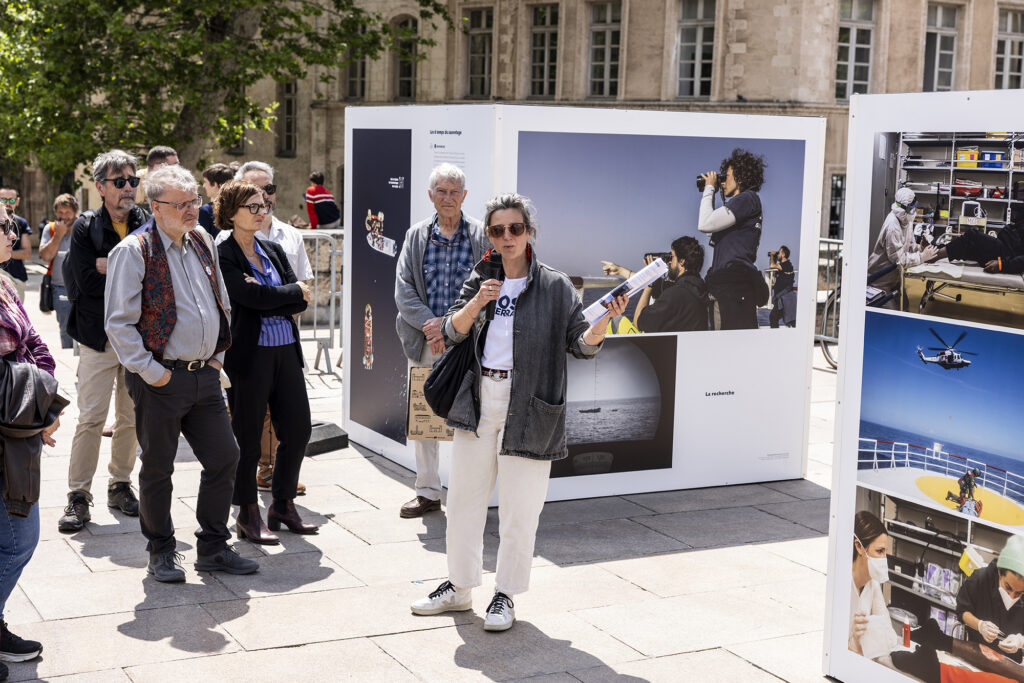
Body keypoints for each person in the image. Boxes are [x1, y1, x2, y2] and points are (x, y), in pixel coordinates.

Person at [410, 192, 627, 632]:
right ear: (489, 236)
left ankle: (505, 594)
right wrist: (477, 302)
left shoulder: (555, 286)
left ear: (530, 233)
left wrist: (604, 321)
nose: (506, 236)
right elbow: (451, 331)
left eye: (515, 228)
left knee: (519, 510)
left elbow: (580, 345)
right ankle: (459, 586)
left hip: (529, 406)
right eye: (497, 230)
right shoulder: (481, 277)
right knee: (464, 502)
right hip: (478, 401)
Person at [104, 165, 258, 582]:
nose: (192, 210)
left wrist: (217, 358)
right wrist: (152, 373)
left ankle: (213, 547)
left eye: (195, 201)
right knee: (158, 468)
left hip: (205, 376)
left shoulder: (202, 239)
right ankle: (161, 550)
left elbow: (221, 300)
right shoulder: (134, 251)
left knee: (225, 457)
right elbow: (118, 324)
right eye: (181, 204)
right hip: (160, 380)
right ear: (156, 207)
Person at [215, 180, 316, 543]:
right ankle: (247, 513)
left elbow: (300, 300)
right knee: (247, 438)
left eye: (264, 206)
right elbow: (247, 297)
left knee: (299, 430)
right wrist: (283, 294)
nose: (261, 212)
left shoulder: (272, 249)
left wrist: (273, 294)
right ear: (231, 213)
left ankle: (283, 504)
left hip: (286, 350)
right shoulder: (224, 253)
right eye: (252, 207)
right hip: (249, 355)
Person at [59, 150, 148, 533]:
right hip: (97, 338)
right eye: (119, 181)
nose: (128, 188)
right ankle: (78, 495)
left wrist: (108, 264)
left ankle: (120, 484)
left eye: (133, 181)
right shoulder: (86, 227)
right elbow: (84, 282)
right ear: (100, 186)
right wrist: (127, 270)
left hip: (138, 340)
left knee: (130, 418)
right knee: (91, 418)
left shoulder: (146, 222)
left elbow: (155, 278)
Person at [395, 163, 487, 519]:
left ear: (464, 196)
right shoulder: (416, 236)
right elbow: (404, 291)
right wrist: (431, 328)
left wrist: (451, 330)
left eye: (454, 192)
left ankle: (470, 495)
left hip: (467, 342)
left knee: (472, 417)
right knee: (425, 422)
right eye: (442, 191)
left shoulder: (481, 236)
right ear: (430, 195)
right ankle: (428, 492)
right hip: (425, 341)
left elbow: (488, 288)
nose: (448, 198)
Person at [0, 202, 63, 677]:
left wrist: (41, 402)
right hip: (7, 426)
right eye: (3, 226)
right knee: (19, 537)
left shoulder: (4, 281)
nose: (12, 233)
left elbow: (36, 343)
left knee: (17, 534)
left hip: (16, 423)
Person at [698, 149, 770, 329]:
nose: (722, 182)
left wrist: (709, 188)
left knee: (725, 342)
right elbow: (710, 228)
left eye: (726, 176)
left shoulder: (747, 198)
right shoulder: (746, 204)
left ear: (740, 176)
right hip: (733, 288)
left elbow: (704, 224)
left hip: (731, 289)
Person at [867, 187, 938, 310]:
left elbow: (908, 246)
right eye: (912, 208)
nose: (915, 212)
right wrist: (922, 257)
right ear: (904, 209)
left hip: (894, 279)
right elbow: (899, 260)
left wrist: (919, 248)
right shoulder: (892, 226)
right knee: (892, 315)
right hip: (879, 282)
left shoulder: (906, 221)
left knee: (904, 307)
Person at [957, 534, 1024, 662]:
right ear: (999, 572)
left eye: (1019, 593)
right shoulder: (980, 579)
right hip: (976, 655)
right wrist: (980, 625)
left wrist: (1020, 641)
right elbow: (962, 611)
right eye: (1008, 587)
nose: (1012, 596)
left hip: (1011, 664)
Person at [626, 236, 709, 333]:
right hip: (692, 341)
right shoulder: (700, 288)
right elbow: (660, 285)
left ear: (682, 261)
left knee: (617, 322)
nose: (669, 262)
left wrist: (649, 281)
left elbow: (638, 322)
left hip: (673, 343)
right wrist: (619, 270)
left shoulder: (674, 294)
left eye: (672, 257)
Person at [849, 510, 899, 658]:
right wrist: (857, 640)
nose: (884, 559)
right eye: (879, 551)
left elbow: (890, 637)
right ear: (859, 547)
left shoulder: (873, 583)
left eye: (885, 552)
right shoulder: (843, 585)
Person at [38, 194, 79, 349]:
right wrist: (58, 235)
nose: (64, 217)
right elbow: (46, 256)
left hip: (83, 288)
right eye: (60, 212)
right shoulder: (50, 229)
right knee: (66, 330)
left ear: (75, 212)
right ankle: (68, 356)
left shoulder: (84, 226)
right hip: (60, 288)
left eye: (67, 212)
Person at [926, 218, 1024, 274]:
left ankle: (934, 255)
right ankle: (933, 249)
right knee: (968, 245)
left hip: (1006, 256)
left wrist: (1001, 264)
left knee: (973, 236)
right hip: (1006, 248)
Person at [0, 187, 33, 302]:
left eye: (12, 200)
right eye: (3, 200)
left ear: (17, 201)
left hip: (16, 277)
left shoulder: (21, 222)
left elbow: (26, 253)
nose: (8, 203)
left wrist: (6, 251)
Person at [198, 163, 234, 236]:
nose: (203, 186)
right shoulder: (238, 207)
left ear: (214, 184)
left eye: (205, 182)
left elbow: (201, 239)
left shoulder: (206, 211)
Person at [768, 245, 796, 328]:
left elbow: (772, 266)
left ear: (783, 255)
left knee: (774, 317)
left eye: (779, 252)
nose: (777, 254)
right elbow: (774, 265)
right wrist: (774, 257)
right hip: (783, 299)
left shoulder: (786, 265)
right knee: (775, 317)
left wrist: (772, 255)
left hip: (786, 298)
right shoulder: (784, 265)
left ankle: (775, 335)